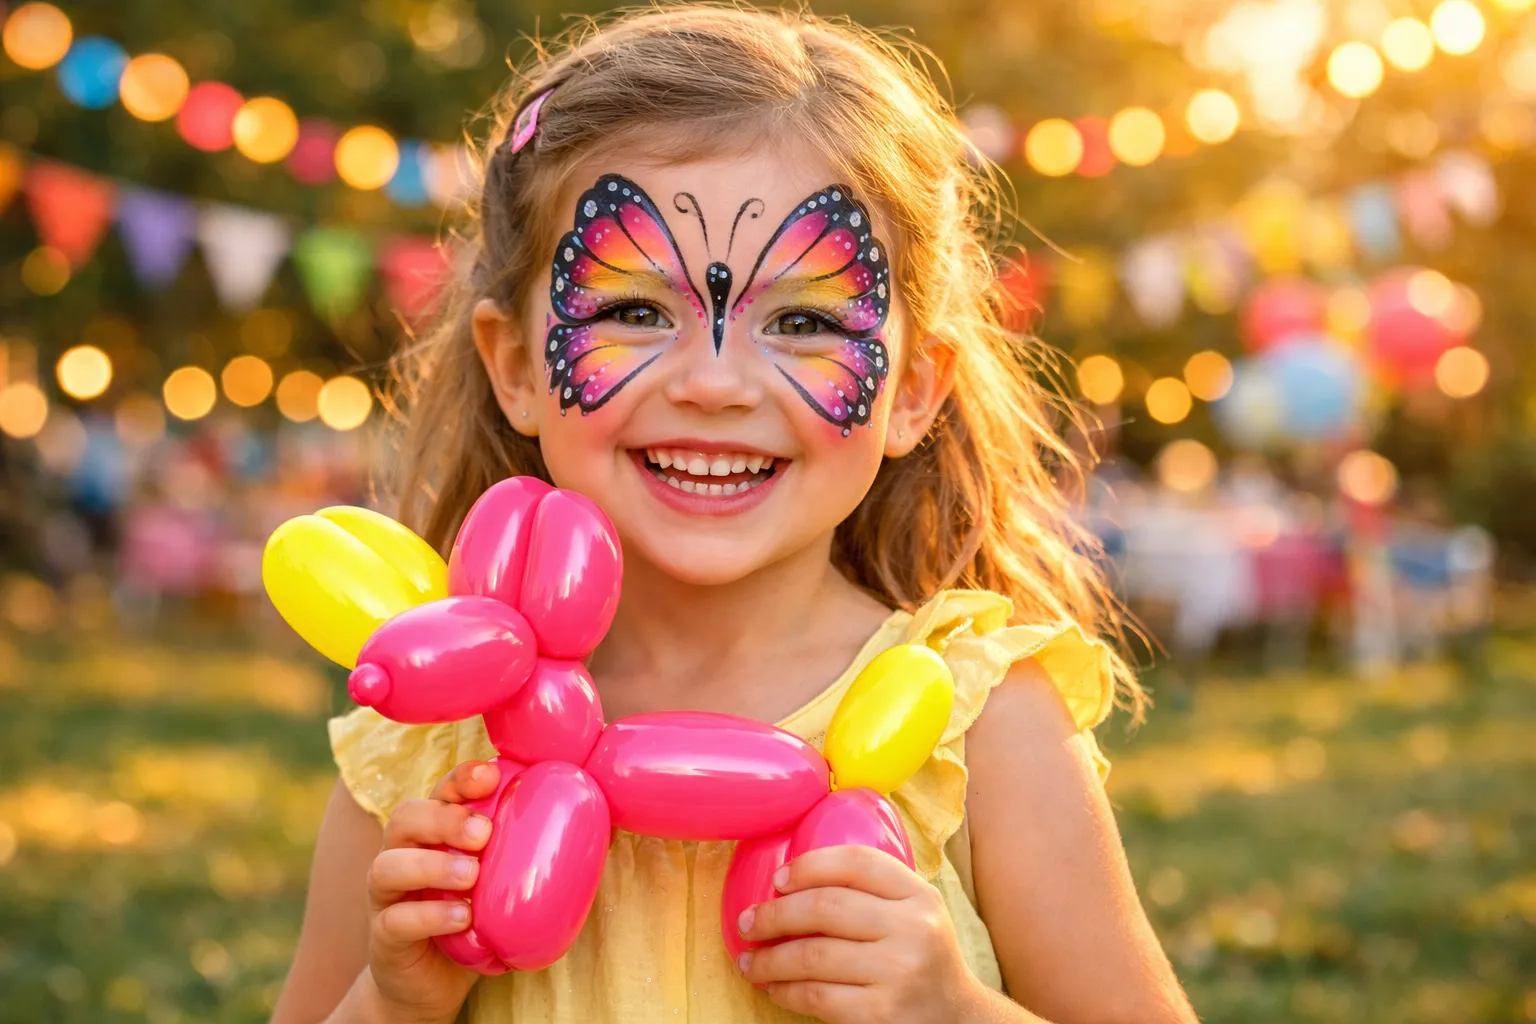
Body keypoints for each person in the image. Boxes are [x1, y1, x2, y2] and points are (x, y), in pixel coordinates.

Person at [273, 7, 1196, 1023]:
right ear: (517, 365)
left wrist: (951, 1007)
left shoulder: (985, 727)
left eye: (803, 321)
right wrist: (395, 1000)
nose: (715, 382)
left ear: (916, 390)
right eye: (633, 310)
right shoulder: (434, 738)